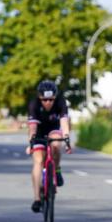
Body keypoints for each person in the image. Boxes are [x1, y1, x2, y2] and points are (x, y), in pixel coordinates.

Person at [25, 80, 72, 213]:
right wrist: (31, 143)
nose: (48, 102)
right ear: (39, 98)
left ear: (55, 97)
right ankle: (37, 199)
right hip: (39, 131)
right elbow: (32, 128)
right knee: (38, 160)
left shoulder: (61, 102)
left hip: (54, 129)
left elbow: (64, 123)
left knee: (56, 144)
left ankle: (56, 170)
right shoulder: (34, 104)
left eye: (51, 99)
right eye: (44, 100)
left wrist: (67, 140)